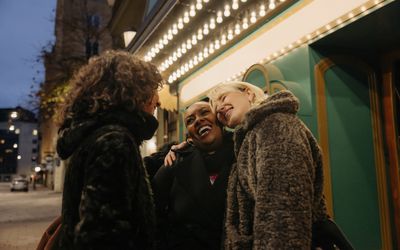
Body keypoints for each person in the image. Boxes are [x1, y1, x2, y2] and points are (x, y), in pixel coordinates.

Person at [208, 81, 353, 249]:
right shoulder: (252, 135)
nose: (219, 108)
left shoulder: (275, 126)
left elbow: (283, 214)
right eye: (215, 108)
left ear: (248, 93)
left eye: (223, 97)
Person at [55, 50, 163, 250]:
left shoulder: (94, 136)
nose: (157, 101)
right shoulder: (114, 141)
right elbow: (102, 234)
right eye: (151, 89)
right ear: (134, 93)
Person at [152, 101, 235, 250]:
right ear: (189, 135)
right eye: (190, 120)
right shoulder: (174, 164)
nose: (198, 120)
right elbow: (152, 216)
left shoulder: (243, 154)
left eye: (204, 112)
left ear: (219, 119)